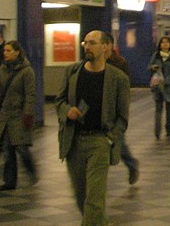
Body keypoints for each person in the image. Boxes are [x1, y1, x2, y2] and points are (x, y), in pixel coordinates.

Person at [55, 30, 130, 226]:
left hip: (99, 142)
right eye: (85, 43)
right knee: (81, 197)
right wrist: (67, 111)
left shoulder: (118, 78)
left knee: (94, 199)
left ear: (105, 47)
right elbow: (59, 101)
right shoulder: (72, 72)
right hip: (74, 140)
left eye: (93, 43)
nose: (87, 47)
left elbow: (123, 117)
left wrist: (110, 138)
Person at [0, 41, 37, 191]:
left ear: (17, 52)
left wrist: (28, 113)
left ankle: (31, 170)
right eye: (5, 51)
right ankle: (9, 182)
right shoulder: (3, 69)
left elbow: (30, 94)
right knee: (7, 150)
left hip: (19, 115)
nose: (5, 53)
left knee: (21, 148)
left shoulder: (27, 71)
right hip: (6, 116)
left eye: (9, 51)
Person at [105, 36, 139, 185]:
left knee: (118, 141)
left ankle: (132, 164)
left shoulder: (120, 63)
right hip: (98, 109)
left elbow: (125, 86)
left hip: (115, 109)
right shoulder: (91, 63)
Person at [149, 35, 170, 139]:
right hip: (158, 87)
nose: (165, 44)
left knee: (169, 108)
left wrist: (166, 82)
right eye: (162, 42)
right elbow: (149, 66)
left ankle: (169, 129)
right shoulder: (156, 55)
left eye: (167, 42)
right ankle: (157, 131)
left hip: (169, 86)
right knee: (158, 108)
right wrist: (153, 68)